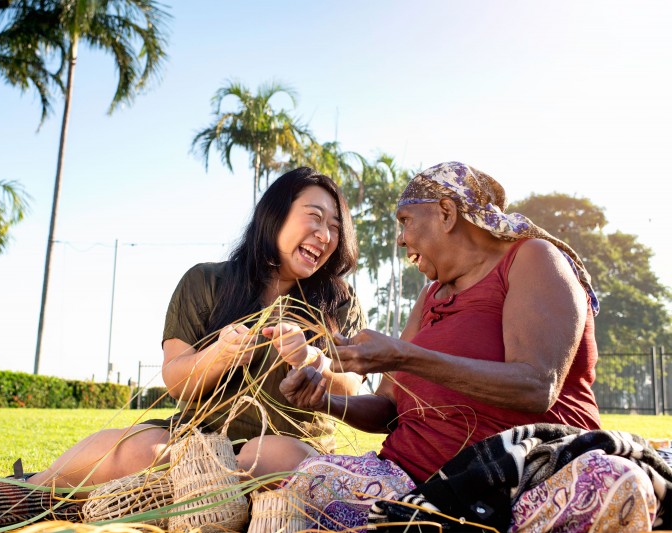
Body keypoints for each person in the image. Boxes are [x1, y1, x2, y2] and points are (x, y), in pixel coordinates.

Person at [271, 162, 664, 531]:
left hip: (522, 482)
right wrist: (325, 402)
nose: (400, 237)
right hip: (412, 483)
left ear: (446, 212)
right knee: (313, 482)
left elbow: (537, 386)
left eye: (406, 221)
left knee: (613, 485)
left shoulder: (532, 259)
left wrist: (403, 355)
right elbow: (388, 410)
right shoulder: (429, 298)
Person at [26, 167, 366, 490]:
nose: (325, 235)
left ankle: (201, 494)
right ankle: (25, 490)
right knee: (136, 451)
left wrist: (310, 360)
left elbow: (351, 386)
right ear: (275, 214)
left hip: (292, 445)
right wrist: (219, 355)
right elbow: (176, 381)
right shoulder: (207, 281)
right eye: (315, 217)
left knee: (264, 457)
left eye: (336, 227)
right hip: (197, 440)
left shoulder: (339, 301)